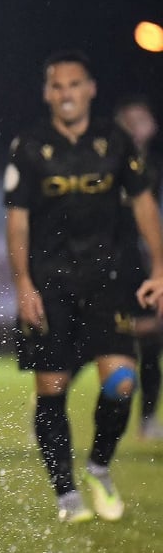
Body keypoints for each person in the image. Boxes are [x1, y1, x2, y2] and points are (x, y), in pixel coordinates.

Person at [4, 50, 163, 525]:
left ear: (90, 89)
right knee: (51, 389)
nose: (66, 93)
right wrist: (23, 284)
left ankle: (98, 467)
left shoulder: (116, 142)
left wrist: (158, 269)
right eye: (57, 86)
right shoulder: (30, 146)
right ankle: (66, 493)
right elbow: (17, 222)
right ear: (47, 93)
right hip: (50, 284)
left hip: (108, 282)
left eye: (74, 84)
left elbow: (144, 207)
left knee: (122, 380)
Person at [112, 95, 163, 440]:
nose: (138, 128)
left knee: (151, 343)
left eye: (141, 120)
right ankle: (48, 398)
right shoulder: (104, 163)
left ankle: (146, 420)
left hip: (140, 265)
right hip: (107, 264)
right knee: (94, 345)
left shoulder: (152, 167)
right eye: (131, 121)